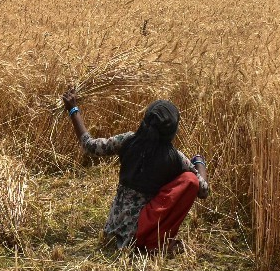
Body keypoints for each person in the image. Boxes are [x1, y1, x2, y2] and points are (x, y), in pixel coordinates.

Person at [62, 90, 210, 252]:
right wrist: (199, 163)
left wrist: (73, 109)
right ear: (172, 131)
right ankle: (156, 242)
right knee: (189, 180)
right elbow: (203, 190)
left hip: (115, 226)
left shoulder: (128, 140)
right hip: (141, 231)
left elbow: (89, 145)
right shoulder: (175, 158)